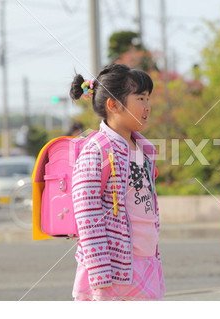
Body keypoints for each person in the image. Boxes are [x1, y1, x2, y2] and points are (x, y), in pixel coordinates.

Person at [69, 63, 164, 301]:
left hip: (146, 264)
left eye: (148, 99)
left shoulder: (143, 149)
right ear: (113, 105)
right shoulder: (96, 149)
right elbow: (87, 214)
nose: (147, 107)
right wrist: (100, 272)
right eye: (140, 98)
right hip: (111, 272)